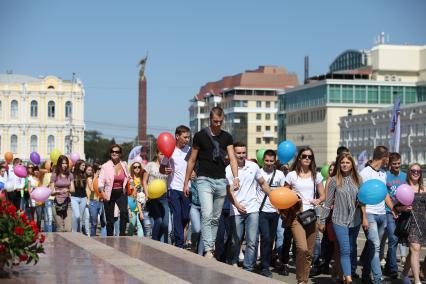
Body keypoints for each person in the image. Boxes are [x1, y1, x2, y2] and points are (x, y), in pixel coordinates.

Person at [183, 106, 239, 258]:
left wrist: (236, 177)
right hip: (204, 179)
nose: (218, 124)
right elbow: (192, 160)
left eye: (220, 122)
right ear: (210, 119)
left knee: (215, 217)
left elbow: (233, 158)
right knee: (207, 213)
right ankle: (208, 249)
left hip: (221, 180)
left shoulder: (227, 137)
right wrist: (186, 182)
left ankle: (210, 246)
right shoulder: (200, 136)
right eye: (215, 121)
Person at [226, 142, 272, 273]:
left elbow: (263, 183)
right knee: (236, 240)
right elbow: (229, 191)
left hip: (252, 209)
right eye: (238, 153)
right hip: (236, 209)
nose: (241, 155)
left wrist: (274, 197)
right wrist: (237, 204)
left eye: (243, 153)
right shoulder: (228, 169)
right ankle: (233, 261)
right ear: (233, 154)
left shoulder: (253, 166)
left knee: (252, 241)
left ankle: (248, 268)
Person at [283, 147, 325, 284]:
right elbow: (283, 194)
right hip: (296, 215)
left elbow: (323, 194)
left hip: (311, 216)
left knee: (309, 252)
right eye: (304, 156)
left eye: (310, 157)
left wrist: (318, 200)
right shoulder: (291, 175)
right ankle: (301, 279)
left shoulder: (316, 175)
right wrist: (293, 198)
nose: (307, 158)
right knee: (302, 248)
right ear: (299, 158)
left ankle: (303, 280)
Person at [319, 153, 362, 284]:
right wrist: (322, 220)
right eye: (342, 163)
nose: (344, 165)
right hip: (339, 220)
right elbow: (327, 202)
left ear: (352, 165)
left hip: (355, 220)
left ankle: (342, 276)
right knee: (345, 249)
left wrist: (364, 217)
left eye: (347, 163)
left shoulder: (358, 179)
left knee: (351, 249)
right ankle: (348, 279)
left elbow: (363, 201)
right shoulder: (333, 180)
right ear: (339, 165)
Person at [359, 146, 397, 284]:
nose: (389, 162)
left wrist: (393, 208)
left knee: (373, 247)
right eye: (388, 158)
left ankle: (365, 275)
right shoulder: (364, 173)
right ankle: (378, 279)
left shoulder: (383, 173)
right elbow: (360, 196)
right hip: (369, 214)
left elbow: (385, 193)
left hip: (382, 215)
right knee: (375, 247)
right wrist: (363, 216)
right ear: (384, 158)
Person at [161, 125, 191, 248]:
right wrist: (165, 170)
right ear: (177, 136)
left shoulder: (190, 150)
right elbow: (161, 168)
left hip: (187, 188)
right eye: (185, 137)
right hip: (173, 188)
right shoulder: (170, 149)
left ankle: (177, 235)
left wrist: (194, 172)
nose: (187, 140)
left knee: (185, 216)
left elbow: (193, 165)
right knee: (177, 214)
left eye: (189, 137)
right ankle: (179, 243)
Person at [257, 149, 286, 277]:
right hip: (261, 210)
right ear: (263, 160)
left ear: (275, 161)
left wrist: (282, 209)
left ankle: (266, 262)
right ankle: (265, 267)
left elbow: (283, 192)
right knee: (266, 238)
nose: (269, 163)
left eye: (271, 161)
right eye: (267, 161)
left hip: (275, 212)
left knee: (271, 240)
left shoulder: (279, 174)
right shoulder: (258, 172)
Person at [400, 163, 426, 284]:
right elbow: (396, 207)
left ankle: (404, 274)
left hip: (422, 222)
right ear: (409, 172)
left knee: (413, 251)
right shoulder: (404, 188)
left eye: (418, 171)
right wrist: (403, 208)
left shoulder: (424, 188)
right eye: (413, 170)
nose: (416, 173)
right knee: (415, 249)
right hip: (410, 222)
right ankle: (417, 280)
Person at [98, 144, 130, 236]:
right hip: (109, 193)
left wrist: (132, 186)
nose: (114, 153)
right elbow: (100, 181)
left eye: (116, 152)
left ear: (120, 154)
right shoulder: (105, 166)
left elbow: (128, 177)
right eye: (112, 151)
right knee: (110, 219)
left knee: (124, 212)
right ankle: (110, 237)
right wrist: (102, 193)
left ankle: (122, 234)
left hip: (121, 192)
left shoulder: (124, 165)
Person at [383, 152, 406, 278]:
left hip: (402, 212)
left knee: (399, 241)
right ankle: (393, 269)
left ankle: (388, 265)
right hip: (389, 211)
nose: (397, 166)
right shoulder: (386, 176)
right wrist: (392, 209)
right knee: (393, 239)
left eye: (398, 163)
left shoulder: (404, 176)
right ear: (390, 164)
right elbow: (384, 193)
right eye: (394, 164)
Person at [143, 150, 170, 242]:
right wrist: (147, 194)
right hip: (152, 197)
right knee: (158, 220)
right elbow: (144, 181)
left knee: (166, 223)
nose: (163, 156)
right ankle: (154, 240)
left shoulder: (168, 166)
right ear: (157, 154)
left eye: (165, 155)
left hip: (164, 197)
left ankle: (159, 239)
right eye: (161, 154)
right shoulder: (150, 165)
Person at [50, 155, 74, 232]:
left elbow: (73, 189)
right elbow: (52, 192)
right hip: (57, 204)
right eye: (63, 163)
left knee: (68, 229)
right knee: (60, 229)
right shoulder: (54, 175)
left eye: (66, 163)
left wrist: (67, 190)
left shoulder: (70, 175)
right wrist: (60, 191)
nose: (65, 165)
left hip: (67, 203)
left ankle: (67, 244)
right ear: (59, 164)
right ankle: (59, 244)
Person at [71, 159, 87, 234]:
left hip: (83, 198)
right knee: (77, 216)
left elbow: (86, 188)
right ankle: (74, 232)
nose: (84, 167)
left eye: (84, 165)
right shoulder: (72, 175)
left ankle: (79, 233)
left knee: (80, 217)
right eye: (83, 165)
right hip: (74, 198)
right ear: (78, 165)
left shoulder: (84, 175)